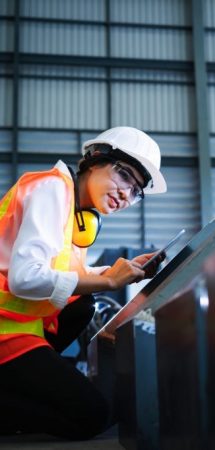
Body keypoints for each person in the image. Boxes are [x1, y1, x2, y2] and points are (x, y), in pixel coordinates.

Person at [0, 126, 167, 440]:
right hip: (5, 329)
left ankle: (23, 382)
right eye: (125, 176)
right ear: (94, 160)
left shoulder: (78, 215)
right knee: (92, 417)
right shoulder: (51, 188)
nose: (126, 195)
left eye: (136, 192)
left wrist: (119, 271)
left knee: (83, 303)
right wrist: (107, 281)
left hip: (20, 326)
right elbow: (24, 279)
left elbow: (66, 272)